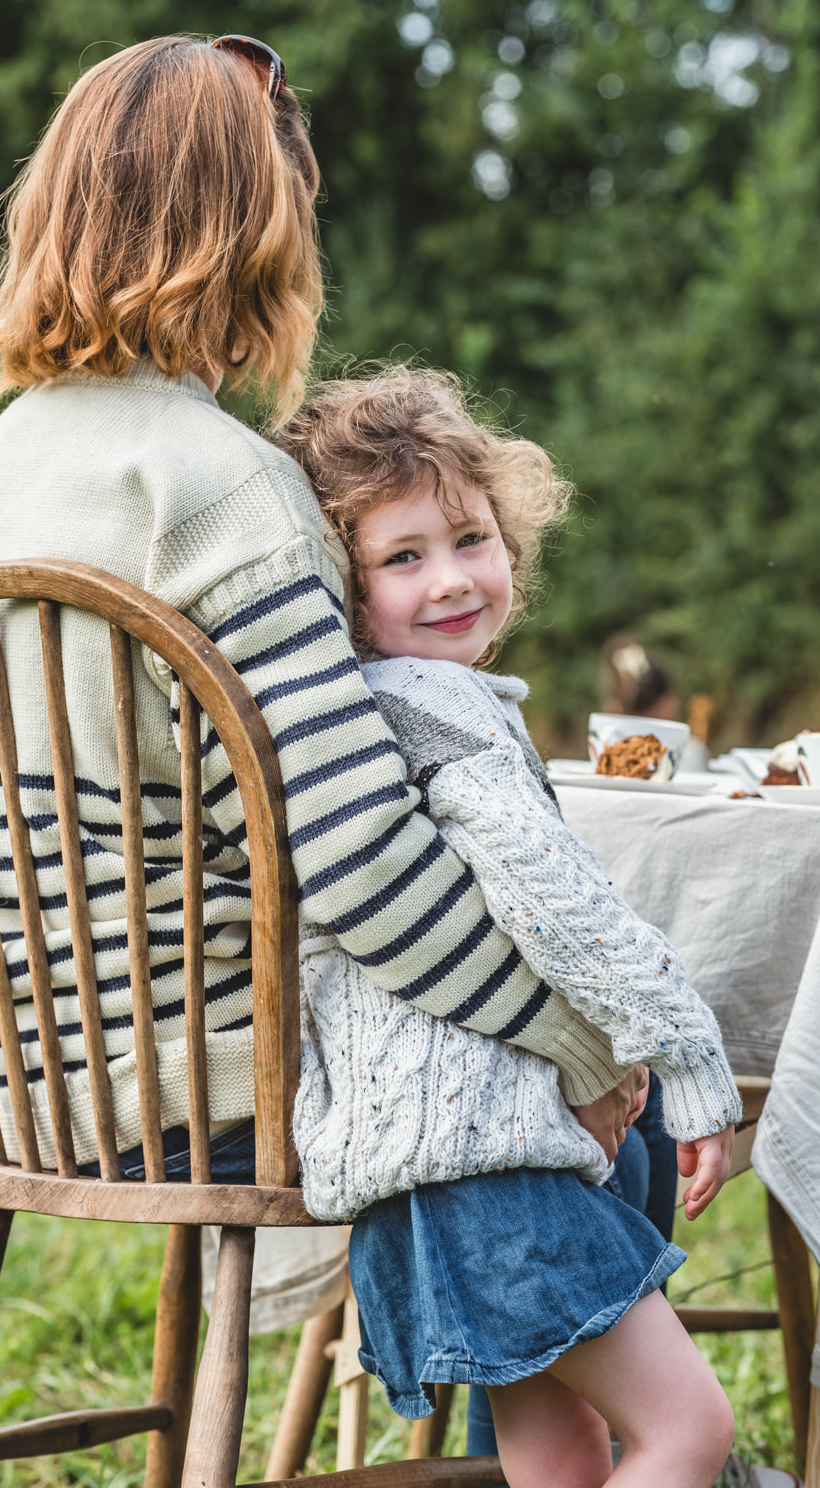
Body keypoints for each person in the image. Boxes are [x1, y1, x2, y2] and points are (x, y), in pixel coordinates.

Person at [0, 36, 632, 1190]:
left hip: (26, 1094)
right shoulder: (223, 488)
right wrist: (581, 1042)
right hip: (228, 1082)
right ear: (252, 228)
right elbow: (355, 858)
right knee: (620, 1139)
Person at [281, 365, 741, 1488]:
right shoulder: (436, 712)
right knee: (685, 1432)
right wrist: (689, 1061)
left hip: (419, 1188)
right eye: (401, 557)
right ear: (341, 589)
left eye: (470, 539)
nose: (449, 580)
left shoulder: (356, 720)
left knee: (563, 1451)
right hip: (495, 1178)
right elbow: (564, 913)